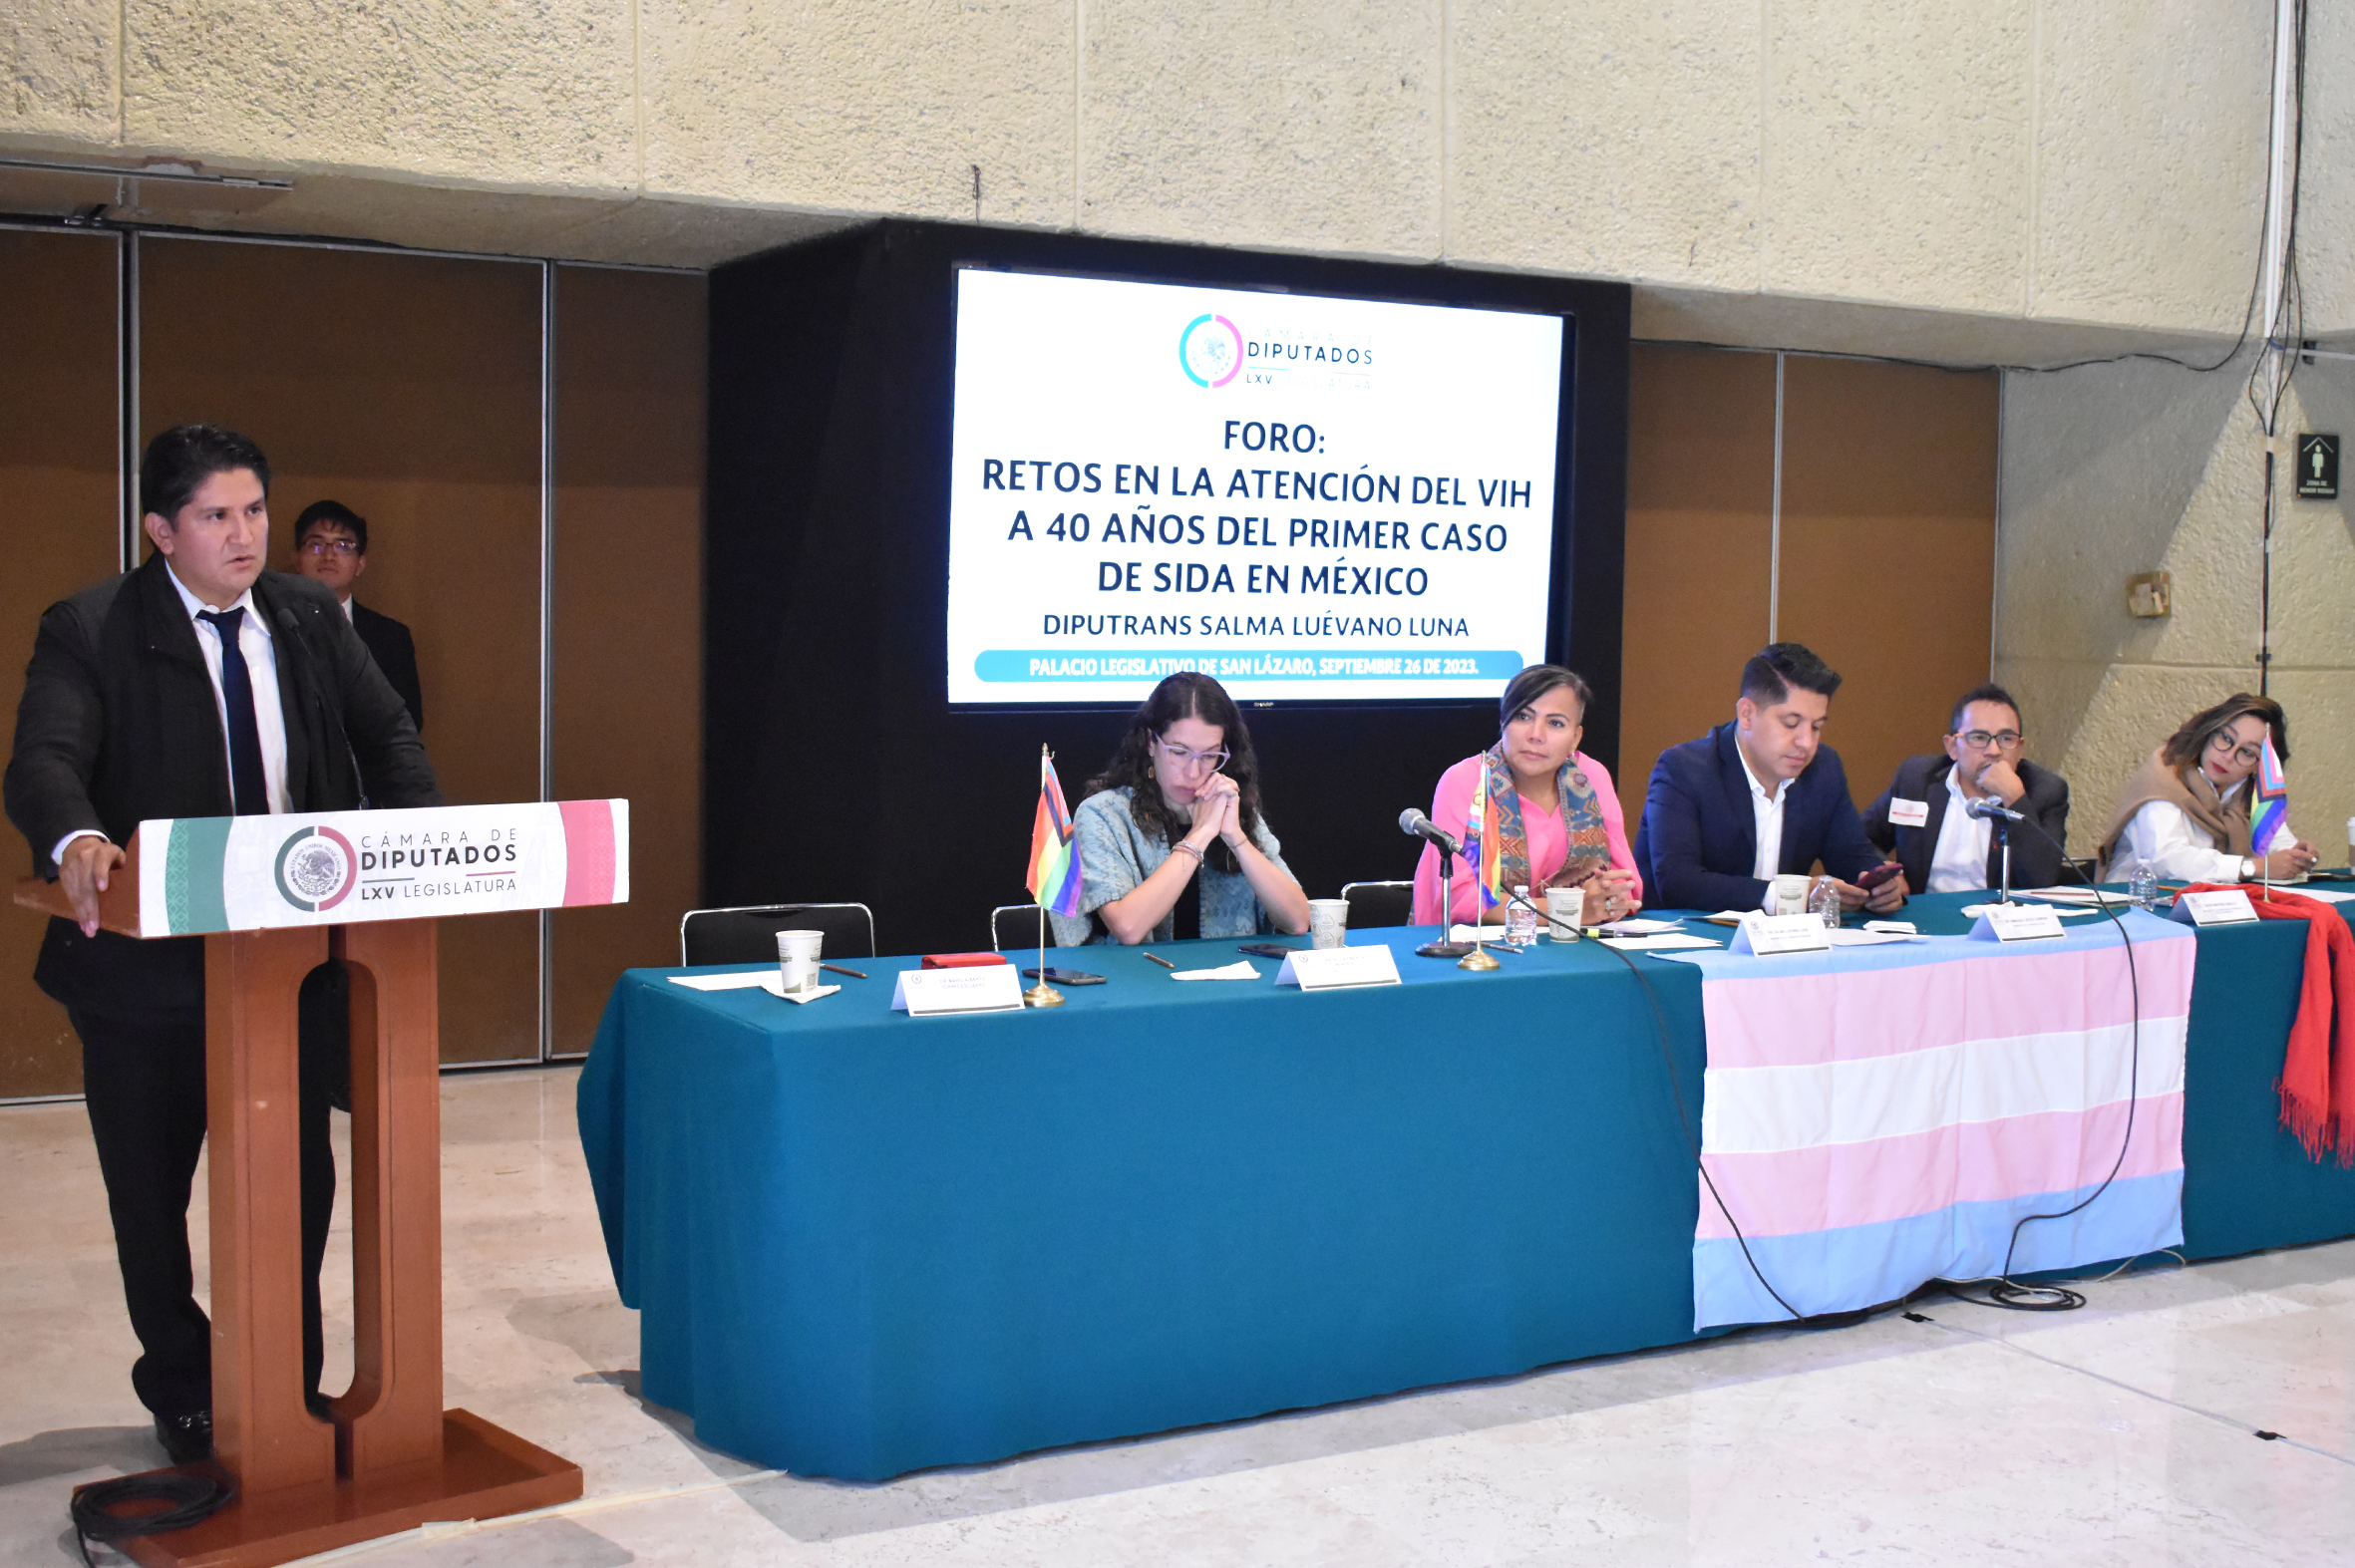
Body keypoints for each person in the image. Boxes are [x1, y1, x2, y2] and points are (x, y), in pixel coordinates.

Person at [4, 425, 441, 1466]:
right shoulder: (91, 626)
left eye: (253, 511)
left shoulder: (305, 615)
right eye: (215, 516)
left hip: (289, 968)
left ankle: (285, 1383)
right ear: (162, 530)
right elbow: (42, 761)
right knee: (152, 1199)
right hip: (144, 976)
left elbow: (389, 737)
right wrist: (75, 838)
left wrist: (419, 844)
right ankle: (184, 1384)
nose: (243, 535)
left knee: (297, 1184)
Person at [1633, 641, 1906, 913]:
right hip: (1682, 933)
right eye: (1791, 723)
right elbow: (1678, 882)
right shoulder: (1683, 769)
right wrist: (1789, 896)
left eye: (1816, 726)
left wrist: (1879, 887)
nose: (1806, 742)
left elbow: (1852, 858)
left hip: (1784, 937)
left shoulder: (1824, 769)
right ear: (1747, 714)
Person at [1048, 671, 1310, 945]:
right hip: (1139, 972)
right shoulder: (1103, 814)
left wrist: (1236, 838)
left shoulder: (1230, 808)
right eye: (1179, 752)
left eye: (1209, 755)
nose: (1194, 771)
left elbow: (1298, 921)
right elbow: (1127, 928)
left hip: (1229, 972)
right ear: (1150, 743)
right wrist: (1200, 835)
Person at [1410, 664, 1643, 927]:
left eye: (1555, 723)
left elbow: (1625, 882)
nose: (1536, 735)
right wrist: (1569, 910)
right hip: (1468, 942)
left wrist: (1610, 899)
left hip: (1571, 941)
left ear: (1575, 738)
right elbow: (1461, 899)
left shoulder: (1592, 776)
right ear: (1503, 724)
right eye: (1523, 717)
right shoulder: (1467, 780)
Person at [1863, 683, 2072, 893]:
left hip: (1996, 912)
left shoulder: (2045, 791)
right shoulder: (1916, 779)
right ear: (1952, 747)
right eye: (1979, 738)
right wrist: (1884, 873)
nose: (1994, 751)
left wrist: (2014, 798)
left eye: (2006, 739)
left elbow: (2041, 880)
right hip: (1924, 910)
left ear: (2019, 749)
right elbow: (1861, 840)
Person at [2095, 692, 2319, 883]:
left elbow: (2275, 839)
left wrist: (2296, 856)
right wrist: (2255, 867)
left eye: (2247, 752)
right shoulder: (2163, 781)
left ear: (2259, 767)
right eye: (2226, 738)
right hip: (2136, 906)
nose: (2228, 756)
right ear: (2208, 732)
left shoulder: (2247, 794)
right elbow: (2167, 861)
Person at [289, 498, 424, 733]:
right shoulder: (269, 626)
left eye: (343, 546)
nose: (328, 556)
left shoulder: (392, 637)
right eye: (316, 545)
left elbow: (408, 722)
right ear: (297, 559)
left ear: (360, 563)